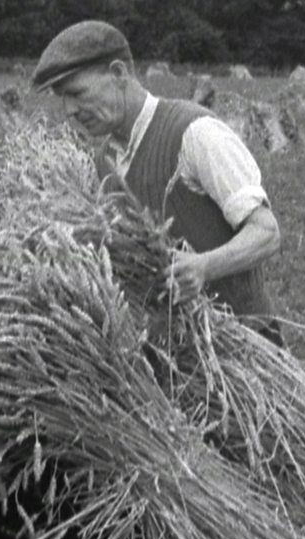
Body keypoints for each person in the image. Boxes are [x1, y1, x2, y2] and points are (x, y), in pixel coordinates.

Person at [32, 20, 285, 345]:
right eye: (61, 98)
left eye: (77, 93)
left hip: (247, 347)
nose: (69, 110)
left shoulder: (196, 133)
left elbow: (267, 232)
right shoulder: (105, 160)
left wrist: (204, 266)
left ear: (119, 73)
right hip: (175, 358)